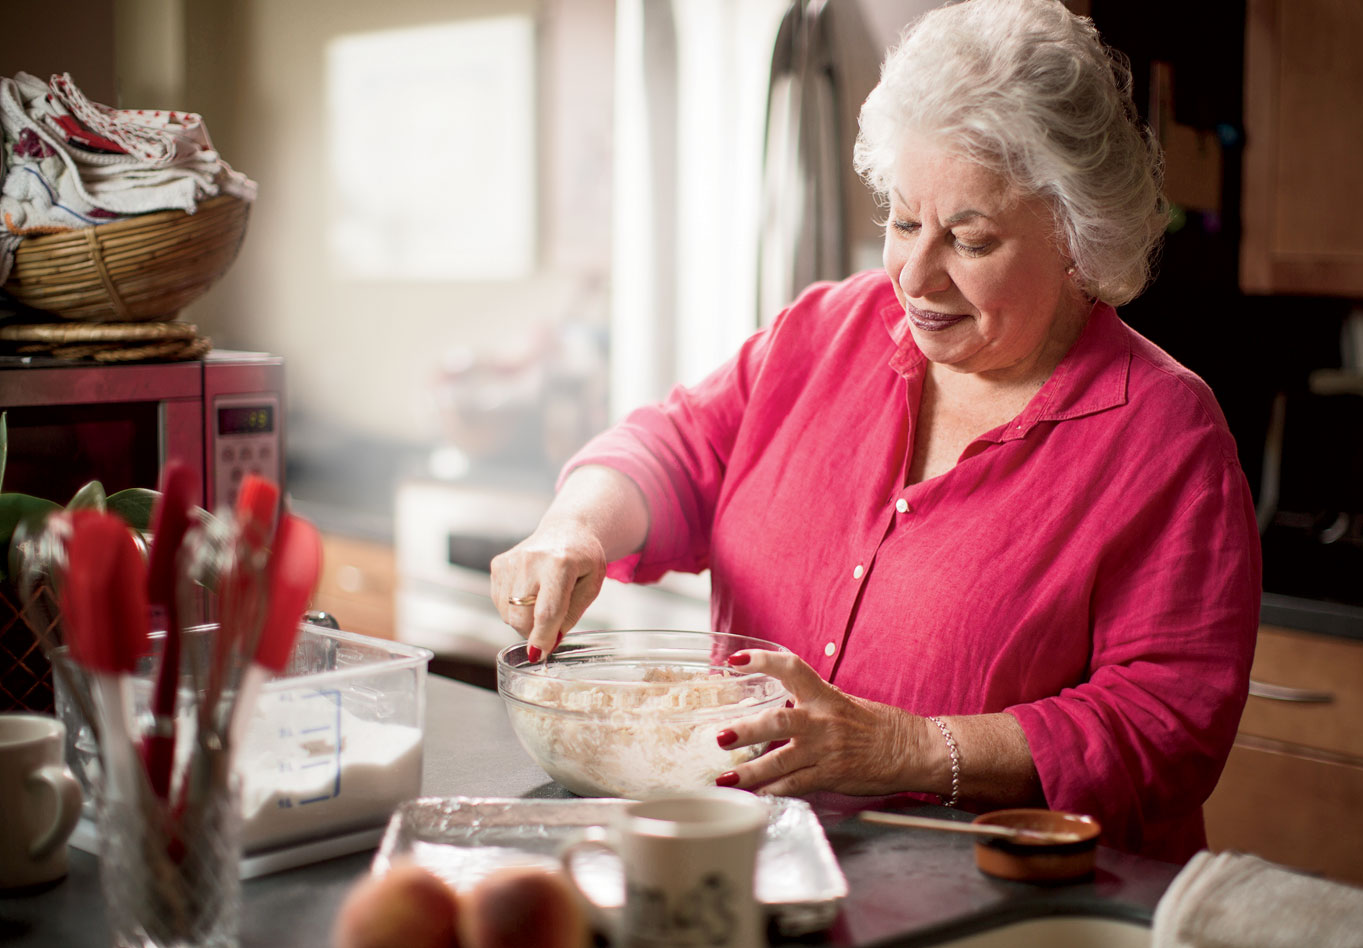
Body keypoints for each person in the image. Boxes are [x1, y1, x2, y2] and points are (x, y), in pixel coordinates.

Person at [490, 0, 1260, 863]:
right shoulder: (826, 331)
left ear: (1079, 238)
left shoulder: (1164, 433)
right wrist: (574, 530)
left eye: (970, 239)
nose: (916, 274)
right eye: (901, 221)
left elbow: (1164, 725)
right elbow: (674, 447)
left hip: (1007, 901)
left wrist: (899, 748)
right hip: (758, 858)